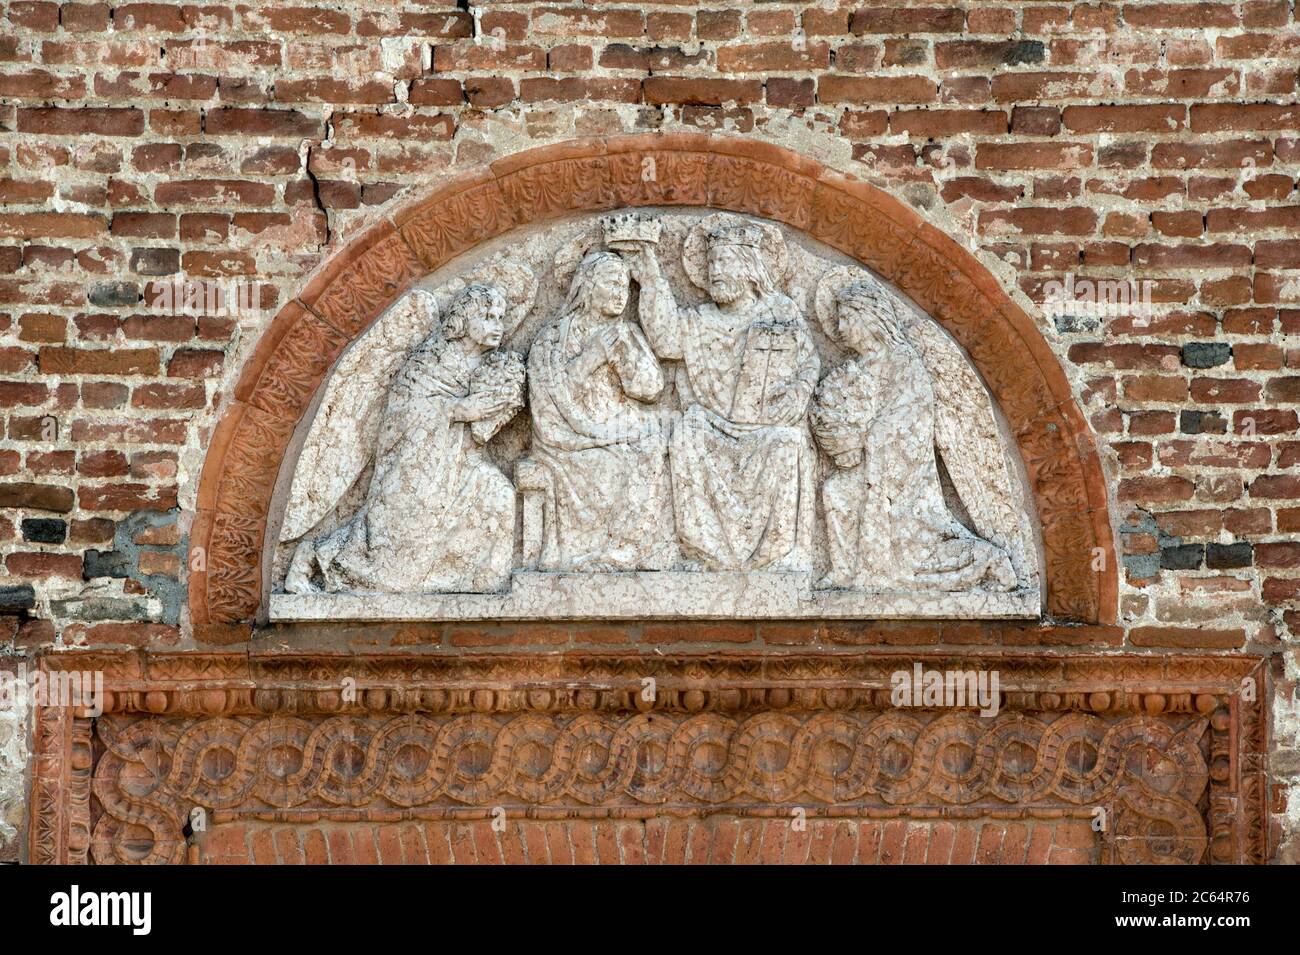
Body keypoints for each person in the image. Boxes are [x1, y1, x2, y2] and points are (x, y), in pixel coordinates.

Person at [284, 283, 521, 594]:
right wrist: (458, 409)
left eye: (500, 318)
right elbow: (403, 412)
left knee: (500, 493)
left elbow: (480, 432)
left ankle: (478, 586)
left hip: (461, 467)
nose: (497, 325)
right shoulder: (430, 360)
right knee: (395, 557)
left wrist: (500, 405)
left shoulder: (491, 367)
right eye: (488, 316)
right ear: (464, 320)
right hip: (416, 469)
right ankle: (313, 556)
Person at [622, 220, 820, 571]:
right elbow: (666, 340)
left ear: (749, 267)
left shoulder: (781, 312)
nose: (715, 272)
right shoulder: (700, 319)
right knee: (686, 432)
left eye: (724, 262)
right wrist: (651, 280)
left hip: (766, 427)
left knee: (787, 444)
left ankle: (775, 555)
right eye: (711, 264)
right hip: (710, 425)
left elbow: (808, 363)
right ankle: (705, 552)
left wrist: (797, 393)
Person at [812, 281, 1016, 592]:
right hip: (868, 468)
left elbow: (911, 418)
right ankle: (844, 572)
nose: (840, 328)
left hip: (903, 480)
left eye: (847, 318)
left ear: (870, 318)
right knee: (835, 489)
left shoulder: (903, 360)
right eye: (838, 320)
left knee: (917, 551)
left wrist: (867, 437)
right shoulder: (852, 369)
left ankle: (987, 560)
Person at [527, 252, 676, 571]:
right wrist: (592, 357)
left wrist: (623, 358)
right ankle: (606, 549)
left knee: (655, 445)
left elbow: (651, 389)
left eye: (624, 285)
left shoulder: (627, 333)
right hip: (569, 441)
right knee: (620, 461)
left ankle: (629, 547)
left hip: (620, 429)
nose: (621, 292)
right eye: (611, 283)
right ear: (587, 286)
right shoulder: (553, 339)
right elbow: (548, 400)